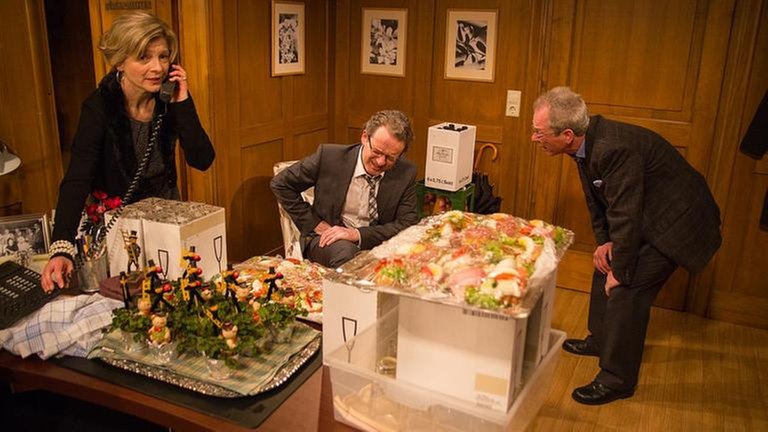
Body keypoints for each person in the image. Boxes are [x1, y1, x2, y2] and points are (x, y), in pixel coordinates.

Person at [531, 87, 721, 405]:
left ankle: (617, 379)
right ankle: (601, 339)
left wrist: (622, 269)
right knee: (603, 264)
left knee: (627, 289)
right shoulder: (584, 143)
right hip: (645, 213)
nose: (534, 139)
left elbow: (626, 211)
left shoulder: (611, 147)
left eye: (539, 133)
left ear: (566, 134)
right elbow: (599, 200)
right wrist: (605, 243)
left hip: (678, 220)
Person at [41, 12, 214, 292]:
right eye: (144, 57)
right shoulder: (98, 108)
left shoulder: (169, 99)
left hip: (165, 216)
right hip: (119, 225)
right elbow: (77, 179)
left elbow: (202, 160)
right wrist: (61, 246)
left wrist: (183, 102)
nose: (157, 67)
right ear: (120, 61)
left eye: (163, 56)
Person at [271, 110, 418, 268]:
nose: (381, 162)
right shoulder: (330, 157)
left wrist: (357, 234)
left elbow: (407, 223)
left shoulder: (406, 172)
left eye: (391, 157)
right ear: (364, 137)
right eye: (377, 151)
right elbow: (281, 183)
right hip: (331, 240)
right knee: (347, 256)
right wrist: (315, 223)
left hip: (379, 242)